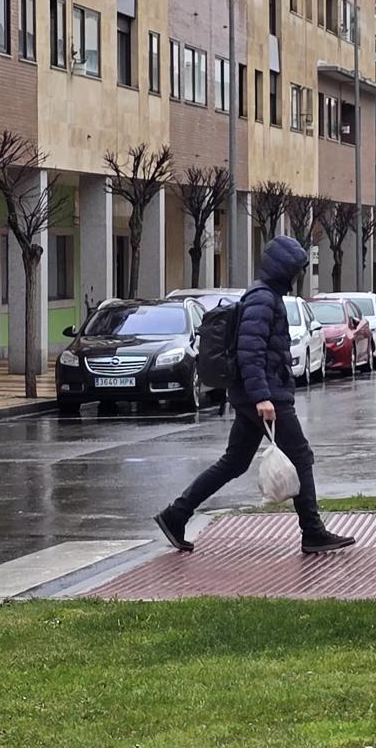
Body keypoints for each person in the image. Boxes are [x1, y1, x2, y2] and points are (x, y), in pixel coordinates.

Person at [154, 236, 356, 555]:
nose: (297, 276)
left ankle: (176, 514)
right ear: (283, 270)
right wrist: (263, 397)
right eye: (295, 270)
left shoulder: (266, 295)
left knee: (234, 461)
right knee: (301, 456)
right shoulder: (263, 299)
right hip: (264, 396)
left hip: (255, 395)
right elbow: (251, 352)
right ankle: (313, 532)